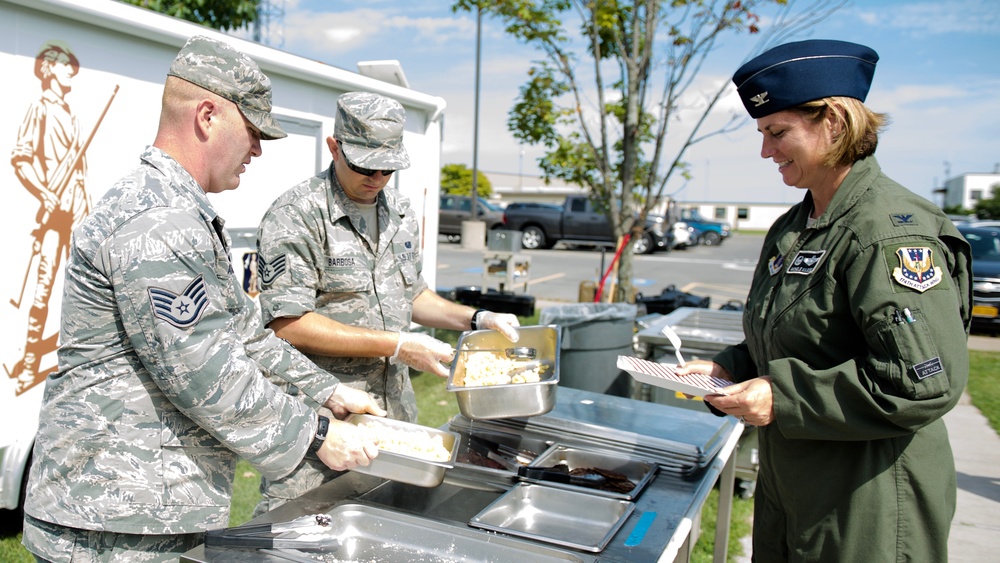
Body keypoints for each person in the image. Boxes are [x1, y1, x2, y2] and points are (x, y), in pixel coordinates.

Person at [21, 36, 387, 562]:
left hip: (148, 509)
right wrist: (317, 434)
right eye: (254, 133)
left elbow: (244, 335)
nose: (258, 150)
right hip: (111, 520)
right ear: (208, 116)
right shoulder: (159, 220)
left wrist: (328, 392)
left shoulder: (182, 212)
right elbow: (204, 371)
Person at [676, 39, 972, 562]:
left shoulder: (887, 232)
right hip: (794, 486)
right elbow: (790, 336)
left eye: (778, 132)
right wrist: (725, 369)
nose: (766, 151)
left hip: (869, 500)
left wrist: (782, 398)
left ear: (834, 121)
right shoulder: (794, 227)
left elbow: (923, 380)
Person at [253, 91, 521, 513]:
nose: (377, 177)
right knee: (301, 531)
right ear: (334, 147)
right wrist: (397, 344)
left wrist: (477, 318)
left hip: (393, 414)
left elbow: (413, 295)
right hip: (323, 420)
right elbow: (288, 323)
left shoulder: (397, 210)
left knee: (389, 526)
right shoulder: (297, 214)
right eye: (365, 164)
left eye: (388, 167)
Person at [7, 41, 92, 395]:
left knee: (82, 291)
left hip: (77, 212)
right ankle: (28, 365)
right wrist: (44, 192)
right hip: (53, 213)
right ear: (50, 69)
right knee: (42, 290)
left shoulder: (70, 113)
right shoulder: (40, 109)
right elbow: (21, 157)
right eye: (64, 65)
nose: (71, 70)